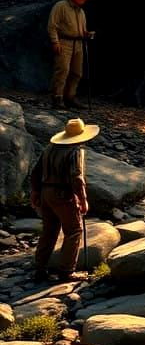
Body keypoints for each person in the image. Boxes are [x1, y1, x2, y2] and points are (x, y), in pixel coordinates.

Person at [30, 116, 99, 282]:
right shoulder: (75, 151)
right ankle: (66, 271)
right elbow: (77, 178)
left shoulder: (49, 148)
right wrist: (83, 200)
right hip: (63, 195)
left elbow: (35, 172)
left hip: (46, 193)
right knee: (74, 231)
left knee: (49, 231)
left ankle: (40, 269)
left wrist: (35, 193)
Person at [47, 0, 97, 109]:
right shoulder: (61, 6)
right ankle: (57, 98)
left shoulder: (81, 12)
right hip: (64, 42)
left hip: (78, 44)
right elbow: (52, 26)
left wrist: (86, 34)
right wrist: (55, 41)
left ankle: (70, 97)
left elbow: (81, 30)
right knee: (62, 70)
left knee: (76, 72)